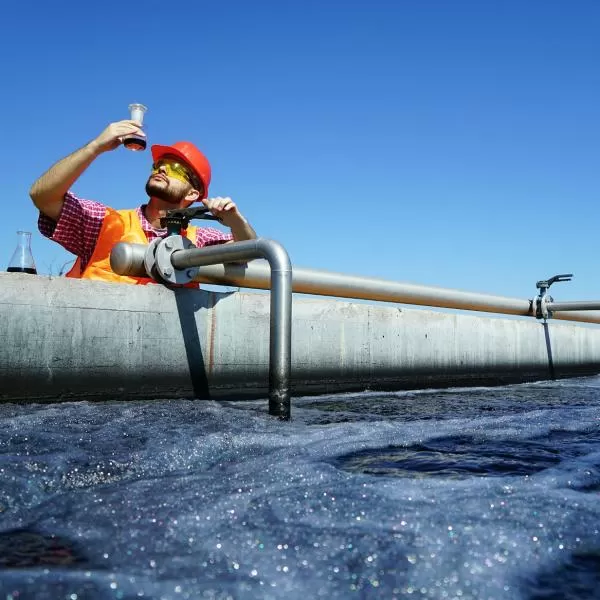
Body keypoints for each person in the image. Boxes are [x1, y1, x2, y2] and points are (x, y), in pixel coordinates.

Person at [29, 119, 257, 284]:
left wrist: (235, 220)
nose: (163, 169)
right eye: (158, 166)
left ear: (192, 194)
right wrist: (95, 147)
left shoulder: (199, 240)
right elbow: (42, 196)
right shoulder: (104, 222)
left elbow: (246, 251)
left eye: (176, 169)